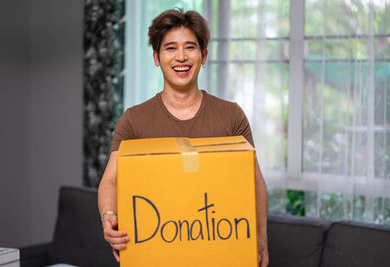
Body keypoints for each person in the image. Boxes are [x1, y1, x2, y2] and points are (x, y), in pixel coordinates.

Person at [98, 8, 269, 267]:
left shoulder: (231, 116)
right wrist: (108, 217)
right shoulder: (134, 120)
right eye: (170, 48)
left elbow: (254, 182)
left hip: (220, 256)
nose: (181, 57)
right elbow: (110, 180)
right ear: (156, 57)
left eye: (190, 47)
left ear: (204, 55)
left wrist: (260, 237)